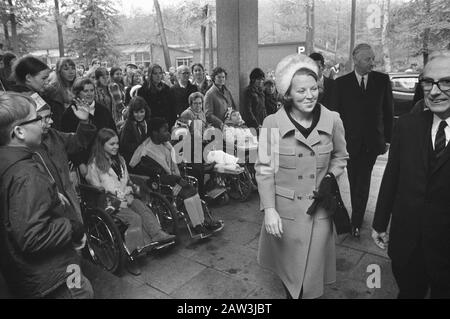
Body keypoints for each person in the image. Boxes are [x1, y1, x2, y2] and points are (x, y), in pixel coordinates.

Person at [256, 54, 348, 299]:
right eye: (301, 91)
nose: (310, 96)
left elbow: (341, 157)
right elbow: (264, 169)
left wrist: (330, 176)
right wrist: (269, 210)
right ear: (287, 93)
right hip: (284, 216)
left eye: (314, 89)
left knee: (310, 283)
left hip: (319, 214)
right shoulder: (272, 124)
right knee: (291, 281)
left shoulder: (333, 120)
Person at [372, 52, 450, 299]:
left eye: (446, 82)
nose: (434, 91)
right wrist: (380, 222)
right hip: (408, 246)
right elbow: (392, 176)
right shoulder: (407, 126)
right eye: (428, 82)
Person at [0, 92, 93, 299]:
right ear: (19, 131)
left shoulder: (11, 163)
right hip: (57, 277)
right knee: (81, 291)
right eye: (37, 118)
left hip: (34, 276)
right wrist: (72, 227)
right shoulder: (27, 176)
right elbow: (32, 237)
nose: (45, 122)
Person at [87, 128, 175, 275]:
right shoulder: (94, 165)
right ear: (102, 145)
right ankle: (133, 257)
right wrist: (116, 198)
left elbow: (126, 180)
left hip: (126, 197)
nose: (116, 146)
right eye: (111, 144)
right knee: (135, 218)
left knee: (142, 207)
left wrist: (130, 189)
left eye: (117, 143)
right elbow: (96, 191)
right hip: (110, 204)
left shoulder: (120, 160)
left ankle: (157, 234)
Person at [333, 43, 393, 238]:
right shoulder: (341, 84)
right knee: (353, 179)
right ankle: (358, 214)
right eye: (368, 59)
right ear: (356, 60)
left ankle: (356, 220)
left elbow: (388, 112)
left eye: (372, 58)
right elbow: (335, 115)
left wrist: (387, 140)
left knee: (364, 180)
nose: (372, 63)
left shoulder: (382, 81)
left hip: (372, 142)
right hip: (349, 143)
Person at [129, 117, 223, 237]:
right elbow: (159, 175)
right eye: (164, 130)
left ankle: (203, 222)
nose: (168, 133)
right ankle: (197, 226)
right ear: (155, 133)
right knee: (188, 193)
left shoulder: (165, 145)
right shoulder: (147, 152)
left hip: (173, 181)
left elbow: (172, 163)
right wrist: (178, 179)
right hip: (163, 185)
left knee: (193, 191)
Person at [42, 58, 77, 130]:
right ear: (59, 72)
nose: (71, 72)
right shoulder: (52, 91)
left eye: (73, 68)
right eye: (66, 69)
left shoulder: (76, 88)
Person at [119, 96, 151, 164]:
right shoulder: (128, 125)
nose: (139, 115)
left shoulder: (145, 122)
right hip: (131, 160)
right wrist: (141, 145)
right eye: (136, 112)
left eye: (142, 112)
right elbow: (124, 146)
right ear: (132, 112)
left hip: (142, 156)